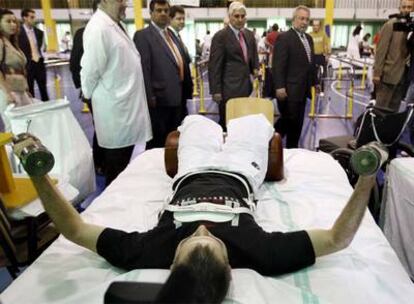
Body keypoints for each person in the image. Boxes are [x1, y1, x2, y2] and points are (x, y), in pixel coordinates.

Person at [17, 114, 378, 303]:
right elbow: (337, 237)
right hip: (240, 171)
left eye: (191, 240)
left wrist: (39, 176)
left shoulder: (148, 251)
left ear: (172, 261)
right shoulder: (261, 253)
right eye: (214, 242)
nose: (203, 229)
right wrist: (366, 178)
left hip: (189, 170)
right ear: (232, 267)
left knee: (196, 122)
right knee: (254, 122)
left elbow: (76, 230)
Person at [80, 0, 152, 186]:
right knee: (116, 169)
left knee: (123, 165)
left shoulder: (113, 25)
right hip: (115, 111)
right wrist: (88, 95)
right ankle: (112, 209)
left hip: (124, 108)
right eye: (120, 0)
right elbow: (90, 71)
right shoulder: (98, 28)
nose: (125, 4)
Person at [134, 0, 188, 149]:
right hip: (159, 101)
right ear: (151, 14)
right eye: (159, 10)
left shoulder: (170, 34)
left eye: (166, 10)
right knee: (157, 143)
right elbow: (144, 69)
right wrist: (149, 96)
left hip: (177, 98)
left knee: (174, 140)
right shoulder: (143, 36)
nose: (163, 13)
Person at [208, 1, 259, 128]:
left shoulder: (248, 34)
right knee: (227, 124)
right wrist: (216, 91)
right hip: (227, 90)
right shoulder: (221, 36)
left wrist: (255, 67)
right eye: (236, 16)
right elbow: (214, 66)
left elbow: (253, 53)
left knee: (242, 124)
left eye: (243, 16)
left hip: (246, 88)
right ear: (230, 17)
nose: (240, 19)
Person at [272, 5, 317, 148]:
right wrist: (279, 87)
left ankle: (293, 150)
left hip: (303, 90)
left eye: (307, 19)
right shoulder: (284, 38)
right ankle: (271, 143)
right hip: (289, 90)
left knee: (298, 123)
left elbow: (310, 62)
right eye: (301, 18)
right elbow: (278, 65)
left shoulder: (308, 38)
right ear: (294, 19)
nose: (304, 22)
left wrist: (315, 81)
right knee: (288, 121)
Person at [69, 0, 104, 175]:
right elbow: (75, 64)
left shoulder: (114, 31)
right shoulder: (83, 33)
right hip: (94, 91)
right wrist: (83, 90)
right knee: (100, 126)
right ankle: (99, 161)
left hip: (110, 91)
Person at [373, 0, 414, 112]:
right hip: (388, 75)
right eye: (404, 7)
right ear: (399, 8)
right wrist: (377, 73)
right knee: (380, 110)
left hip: (403, 78)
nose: (406, 10)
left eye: (409, 7)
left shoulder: (410, 27)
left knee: (394, 111)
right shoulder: (390, 25)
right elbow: (381, 51)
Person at [0, 9, 32, 131]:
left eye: (14, 21)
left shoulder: (13, 43)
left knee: (28, 125)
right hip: (7, 91)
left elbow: (21, 70)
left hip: (20, 90)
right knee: (15, 129)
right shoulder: (1, 42)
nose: (13, 24)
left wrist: (25, 89)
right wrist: (7, 92)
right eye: (8, 21)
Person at [169, 5, 194, 120]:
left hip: (183, 90)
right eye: (178, 19)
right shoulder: (168, 37)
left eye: (183, 19)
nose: (182, 21)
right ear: (170, 19)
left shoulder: (177, 37)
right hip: (175, 91)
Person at [18, 8, 49, 101]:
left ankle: (47, 108)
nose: (34, 19)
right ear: (24, 18)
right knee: (30, 90)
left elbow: (41, 48)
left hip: (39, 63)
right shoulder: (18, 33)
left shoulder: (39, 32)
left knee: (43, 89)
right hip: (27, 65)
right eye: (31, 17)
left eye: (34, 17)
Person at [309, 19, 330, 89]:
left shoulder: (323, 34)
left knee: (323, 74)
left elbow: (326, 45)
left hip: (321, 56)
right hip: (312, 56)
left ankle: (322, 89)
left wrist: (327, 55)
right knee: (311, 73)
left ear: (319, 26)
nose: (315, 27)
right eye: (314, 25)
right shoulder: (309, 34)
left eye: (317, 25)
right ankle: (312, 88)